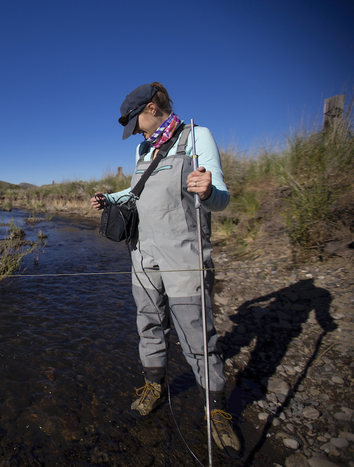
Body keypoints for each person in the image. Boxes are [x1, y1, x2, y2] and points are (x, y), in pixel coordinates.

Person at [90, 83, 240, 453]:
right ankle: (154, 385)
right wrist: (109, 198)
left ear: (152, 108)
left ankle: (216, 410)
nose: (136, 132)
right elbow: (136, 192)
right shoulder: (146, 148)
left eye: (136, 122)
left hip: (185, 258)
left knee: (196, 335)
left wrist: (207, 191)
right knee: (148, 323)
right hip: (142, 254)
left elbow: (220, 199)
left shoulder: (196, 137)